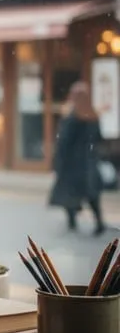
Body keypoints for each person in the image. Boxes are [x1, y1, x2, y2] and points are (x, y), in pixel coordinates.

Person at [48, 80, 105, 235]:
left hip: (72, 162)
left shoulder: (71, 117)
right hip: (89, 161)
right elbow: (99, 138)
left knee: (69, 192)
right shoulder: (93, 116)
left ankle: (72, 221)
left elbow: (63, 141)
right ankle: (99, 222)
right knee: (92, 195)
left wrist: (57, 162)